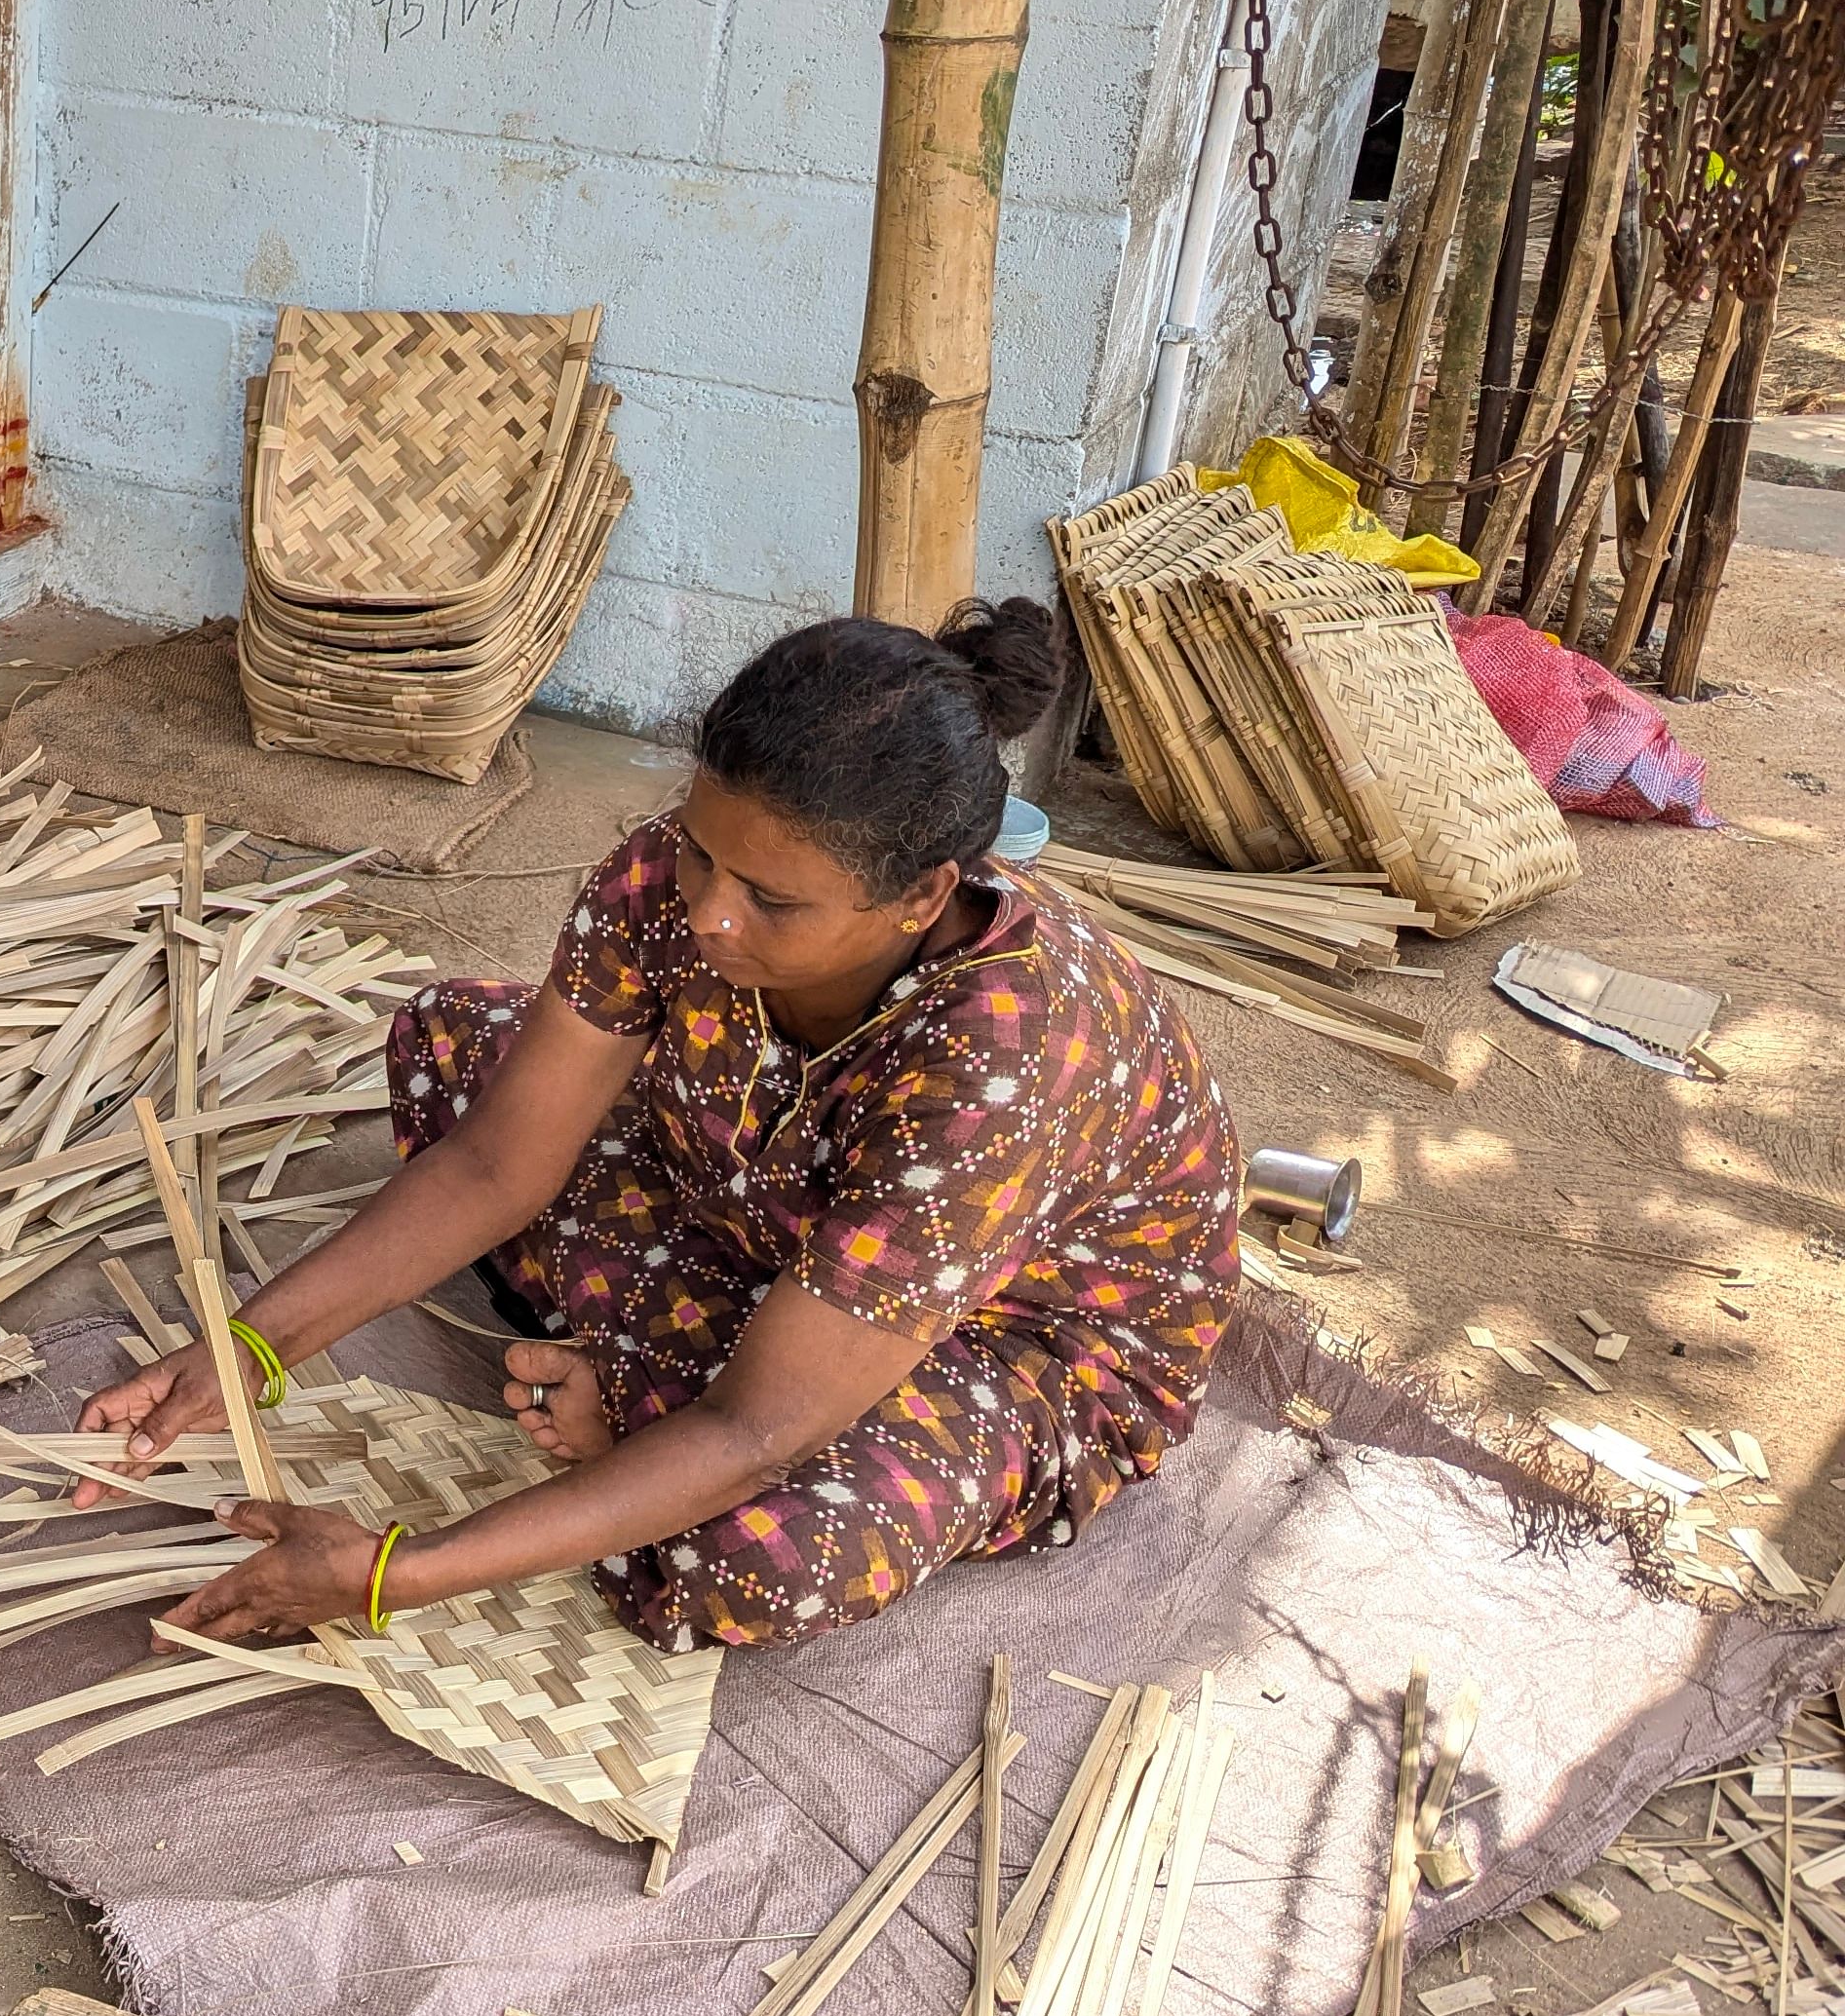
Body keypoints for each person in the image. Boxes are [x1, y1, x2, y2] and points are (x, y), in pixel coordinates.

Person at [81, 601, 1241, 1655]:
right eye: (699, 850)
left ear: (923, 899)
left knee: (759, 1556)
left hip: (1004, 1335)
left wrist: (393, 1573)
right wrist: (249, 1348)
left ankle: (653, 1387)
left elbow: (760, 1437)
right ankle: (663, 1383)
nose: (709, 912)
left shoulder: (1003, 1057)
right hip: (763, 1212)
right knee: (452, 1049)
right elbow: (496, 1163)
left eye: (772, 901)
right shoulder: (667, 882)